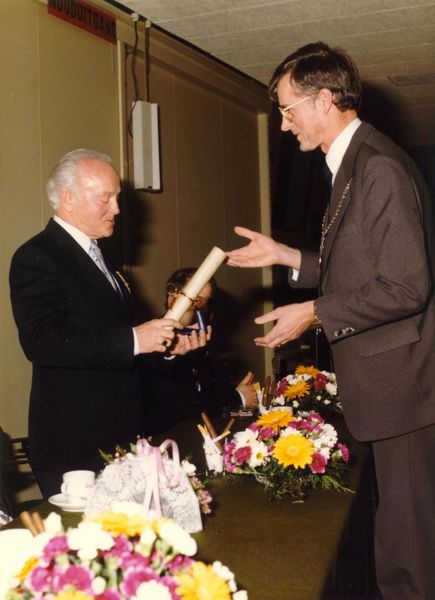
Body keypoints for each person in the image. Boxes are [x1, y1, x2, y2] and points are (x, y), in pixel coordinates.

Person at [227, 42, 435, 600]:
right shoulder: (355, 161)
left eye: (288, 110)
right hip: (392, 388)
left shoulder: (378, 168)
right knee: (399, 534)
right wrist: (286, 255)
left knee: (409, 549)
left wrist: (315, 312)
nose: (283, 123)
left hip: (404, 390)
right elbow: (360, 267)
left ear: (324, 100)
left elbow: (406, 286)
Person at [9, 149, 209, 498]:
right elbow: (42, 341)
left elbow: (119, 344)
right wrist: (135, 340)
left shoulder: (101, 256)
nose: (116, 209)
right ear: (68, 199)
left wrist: (166, 348)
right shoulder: (36, 256)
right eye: (106, 198)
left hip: (120, 438)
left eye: (117, 197)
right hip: (75, 446)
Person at [143, 268, 259, 434]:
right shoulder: (149, 344)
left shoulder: (201, 346)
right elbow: (181, 414)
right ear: (171, 298)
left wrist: (249, 409)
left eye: (204, 303)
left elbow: (216, 411)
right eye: (195, 301)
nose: (200, 310)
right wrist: (239, 398)